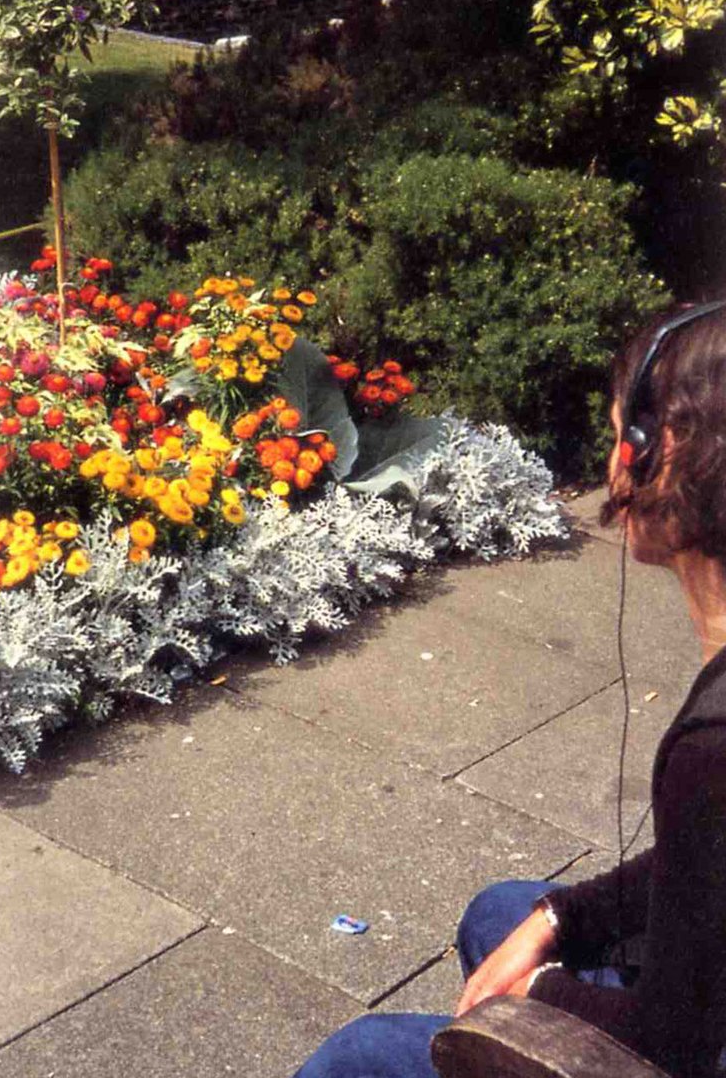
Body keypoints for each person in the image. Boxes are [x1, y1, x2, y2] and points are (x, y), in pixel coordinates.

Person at [295, 300, 726, 1078]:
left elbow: (675, 1046)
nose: (612, 461)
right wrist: (558, 918)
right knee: (503, 913)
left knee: (355, 1058)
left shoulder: (713, 751)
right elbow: (703, 864)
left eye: (618, 435)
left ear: (661, 452)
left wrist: (537, 996)